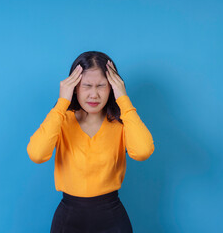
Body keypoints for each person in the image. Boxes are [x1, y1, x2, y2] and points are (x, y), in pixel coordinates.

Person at [27, 51, 155, 232]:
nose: (94, 94)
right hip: (69, 220)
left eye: (101, 86)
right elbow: (37, 154)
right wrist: (62, 102)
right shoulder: (61, 120)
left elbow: (143, 151)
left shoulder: (121, 123)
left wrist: (123, 100)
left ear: (112, 87)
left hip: (112, 219)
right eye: (86, 85)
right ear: (74, 87)